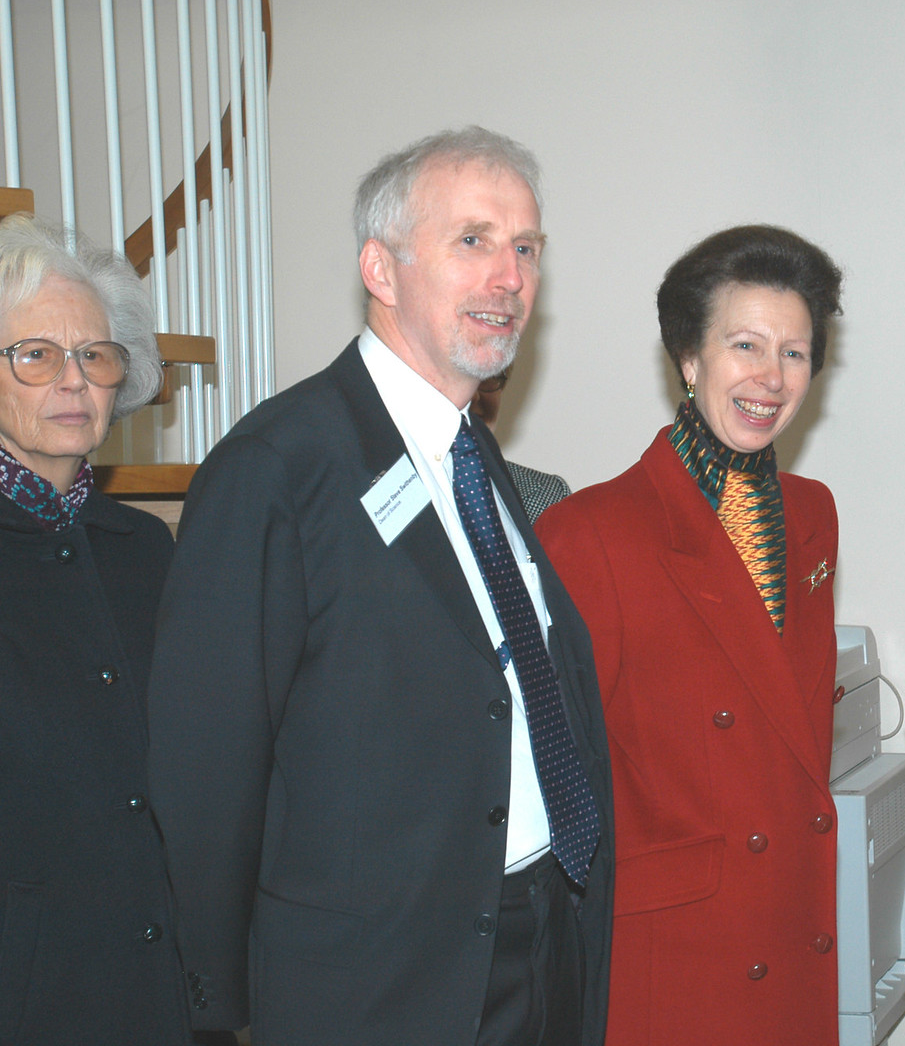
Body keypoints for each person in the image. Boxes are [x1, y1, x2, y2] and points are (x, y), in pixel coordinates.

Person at [145, 127, 613, 1046]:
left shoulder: (473, 455)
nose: (509, 277)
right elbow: (207, 763)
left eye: (526, 249)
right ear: (381, 268)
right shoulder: (278, 466)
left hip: (535, 946)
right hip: (375, 986)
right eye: (472, 241)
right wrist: (219, 1007)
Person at [537, 225, 843, 1046]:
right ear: (689, 358)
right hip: (676, 954)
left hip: (792, 917)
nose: (770, 378)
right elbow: (554, 778)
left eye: (795, 353)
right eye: (744, 345)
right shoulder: (588, 531)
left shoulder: (813, 515)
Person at [0, 215, 189, 1044]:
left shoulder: (146, 548)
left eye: (95, 356)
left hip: (160, 986)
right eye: (35, 354)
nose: (72, 381)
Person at [471, 366, 570, 522]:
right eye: (457, 377)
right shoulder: (418, 491)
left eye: (488, 376)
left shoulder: (548, 496)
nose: (475, 395)